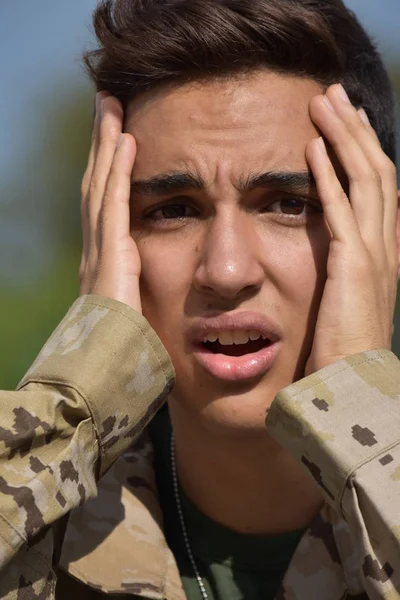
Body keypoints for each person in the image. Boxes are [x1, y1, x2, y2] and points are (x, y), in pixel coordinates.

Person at [0, 0, 399, 598]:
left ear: (381, 233)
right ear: (106, 239)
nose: (227, 270)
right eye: (174, 210)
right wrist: (77, 396)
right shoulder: (50, 527)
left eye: (288, 204)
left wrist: (365, 416)